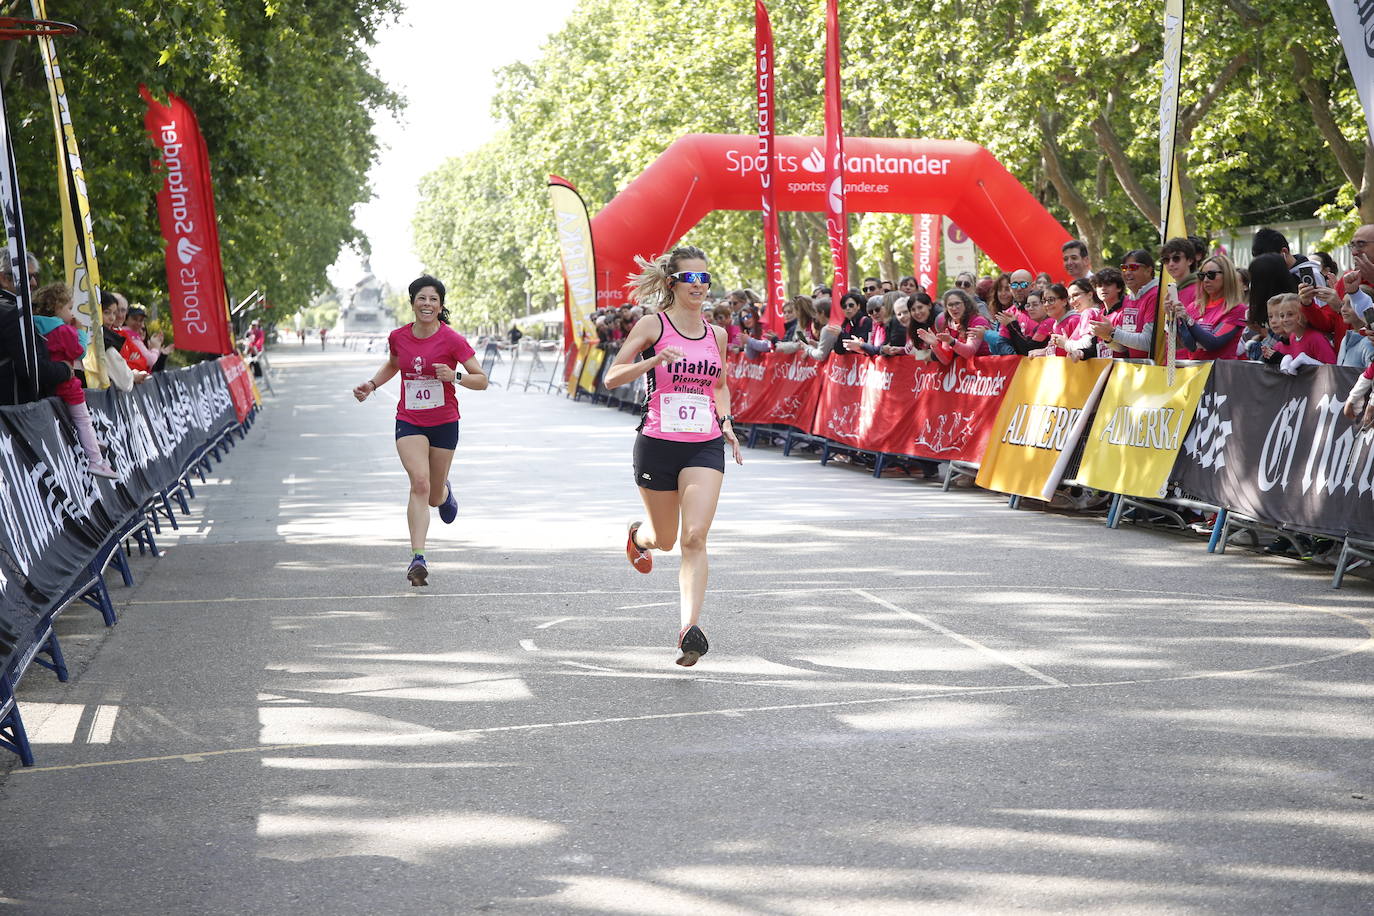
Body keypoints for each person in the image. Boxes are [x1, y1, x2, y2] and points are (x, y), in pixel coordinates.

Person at [603, 245, 742, 667]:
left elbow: (718, 385)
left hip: (704, 443)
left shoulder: (716, 334)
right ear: (673, 283)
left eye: (706, 279)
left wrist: (727, 422)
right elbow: (611, 377)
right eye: (692, 279)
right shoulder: (652, 324)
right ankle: (637, 537)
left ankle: (689, 629)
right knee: (663, 540)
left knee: (695, 535)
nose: (700, 287)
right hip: (657, 442)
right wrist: (653, 361)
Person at [352, 275, 487, 587]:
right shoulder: (398, 336)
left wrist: (454, 376)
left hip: (444, 422)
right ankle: (418, 558)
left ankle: (446, 493)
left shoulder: (452, 340)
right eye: (422, 299)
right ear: (412, 303)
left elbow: (481, 379)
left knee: (434, 495)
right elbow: (394, 364)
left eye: (434, 299)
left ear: (440, 306)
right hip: (410, 420)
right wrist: (371, 385)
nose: (428, 304)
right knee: (420, 484)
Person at [30, 283, 117, 477]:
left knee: (77, 420)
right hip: (68, 385)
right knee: (83, 420)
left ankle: (91, 442)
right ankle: (96, 460)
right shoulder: (63, 331)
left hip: (49, 384)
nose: (71, 313)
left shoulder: (34, 326)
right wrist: (80, 331)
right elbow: (79, 351)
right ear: (56, 308)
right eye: (69, 308)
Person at [1168, 254, 1247, 360]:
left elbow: (1213, 343)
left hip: (1220, 373)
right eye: (1202, 275)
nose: (1205, 280)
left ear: (1227, 276)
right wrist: (1172, 317)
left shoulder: (1237, 309)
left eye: (1211, 275)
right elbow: (1188, 345)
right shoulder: (1194, 306)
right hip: (1195, 372)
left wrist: (1188, 320)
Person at [1263, 293, 1335, 373]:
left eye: (1290, 314)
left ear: (1303, 315)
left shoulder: (1315, 338)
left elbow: (1333, 369)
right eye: (1282, 316)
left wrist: (1307, 361)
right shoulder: (1292, 337)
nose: (1285, 319)